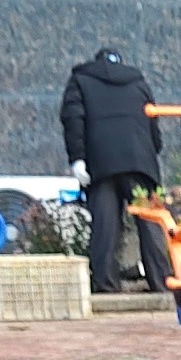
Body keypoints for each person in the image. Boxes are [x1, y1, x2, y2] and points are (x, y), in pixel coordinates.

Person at [59, 46, 164, 294]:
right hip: (139, 161)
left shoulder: (80, 80)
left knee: (105, 226)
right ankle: (162, 282)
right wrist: (152, 152)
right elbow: (153, 121)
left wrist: (78, 159)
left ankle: (106, 285)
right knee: (151, 223)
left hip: (100, 162)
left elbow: (73, 118)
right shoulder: (137, 82)